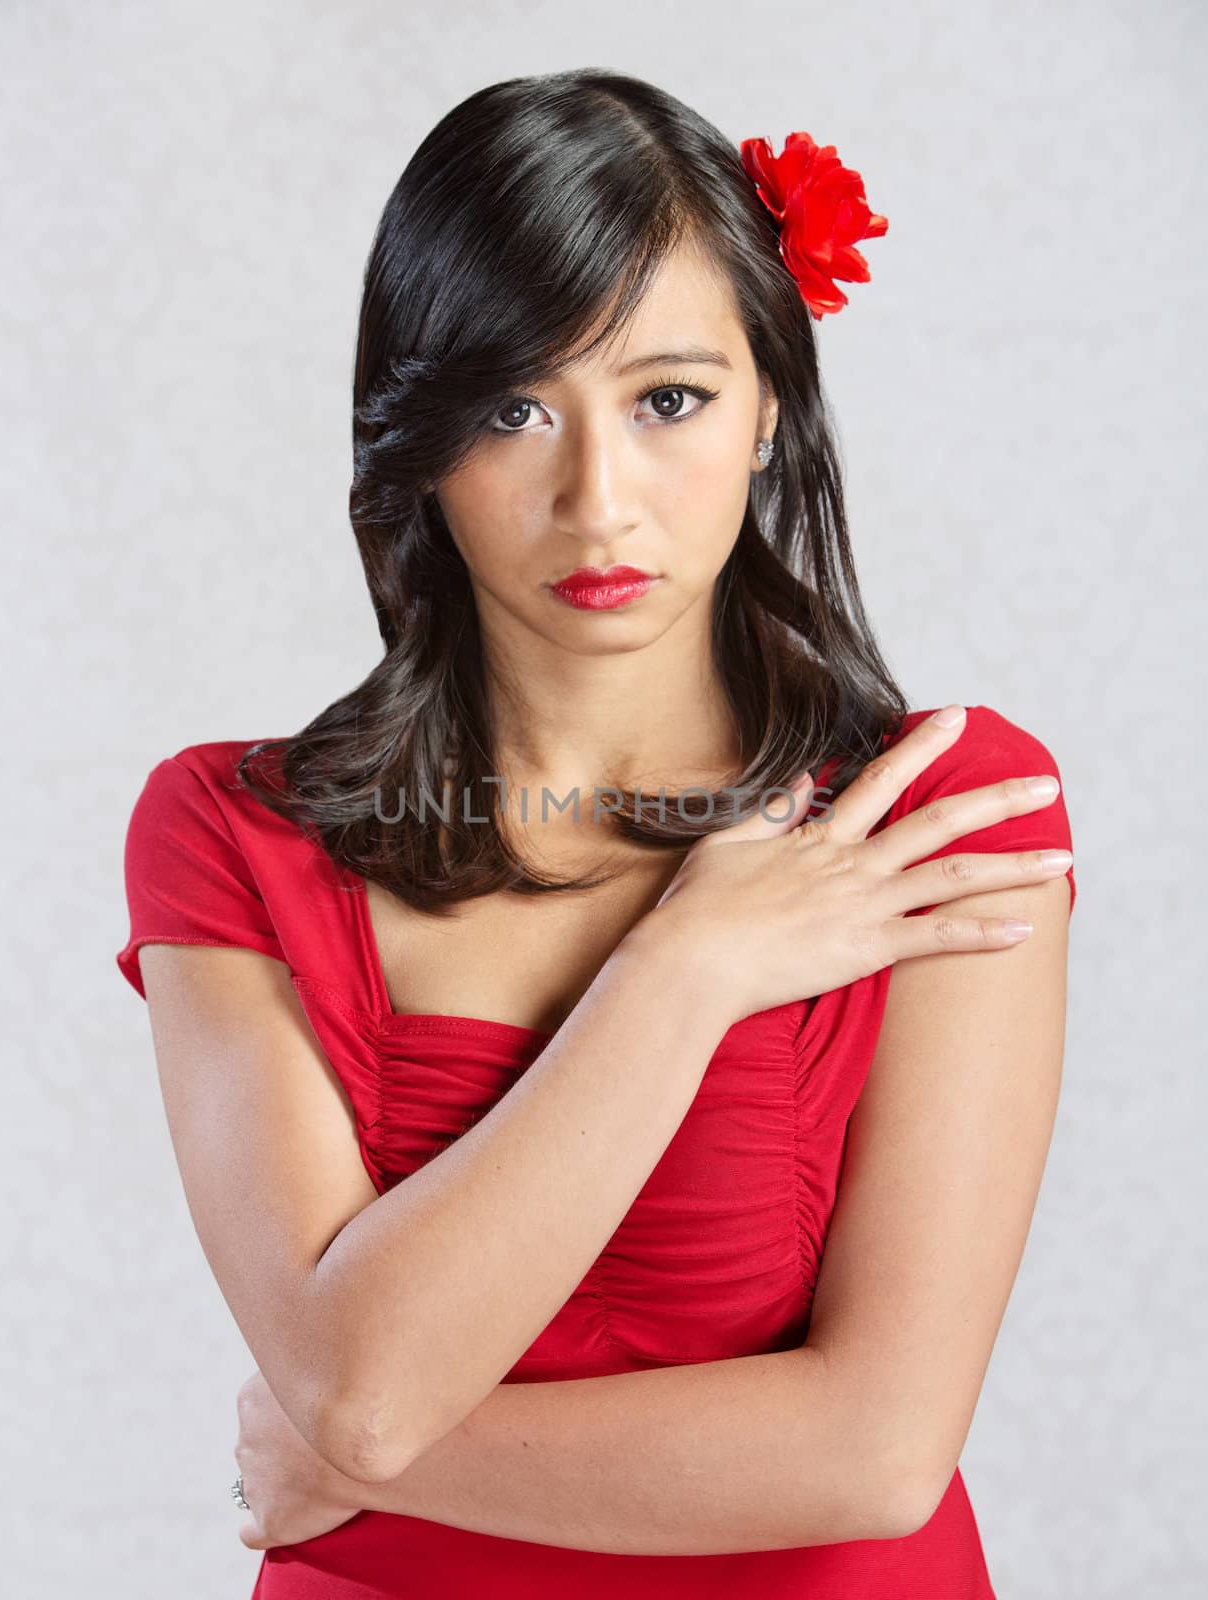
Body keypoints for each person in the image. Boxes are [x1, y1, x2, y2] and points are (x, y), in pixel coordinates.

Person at [115, 68, 1076, 1600]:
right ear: (421, 439)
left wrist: (367, 1468)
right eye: (511, 407)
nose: (597, 498)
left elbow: (875, 1451)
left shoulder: (942, 809)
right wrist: (682, 971)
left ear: (770, 407)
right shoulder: (231, 835)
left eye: (668, 399)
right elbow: (360, 1384)